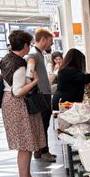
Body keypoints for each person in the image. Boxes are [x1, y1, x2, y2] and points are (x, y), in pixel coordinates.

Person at [0, 30, 47, 177]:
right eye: (29, 44)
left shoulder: (7, 58)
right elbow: (18, 91)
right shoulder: (19, 64)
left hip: (10, 103)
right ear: (25, 45)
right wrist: (35, 81)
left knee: (26, 143)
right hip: (17, 105)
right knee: (25, 144)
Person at [28, 28, 56, 162]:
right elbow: (29, 73)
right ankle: (44, 151)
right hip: (41, 94)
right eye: (50, 41)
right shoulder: (33, 55)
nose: (51, 43)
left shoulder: (38, 54)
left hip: (44, 92)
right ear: (43, 39)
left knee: (43, 123)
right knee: (43, 124)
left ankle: (39, 150)